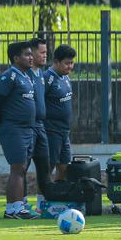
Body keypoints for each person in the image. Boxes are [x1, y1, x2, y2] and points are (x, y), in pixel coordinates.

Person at [0, 41, 39, 219]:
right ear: (16, 58)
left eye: (31, 54)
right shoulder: (10, 76)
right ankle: (15, 209)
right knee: (17, 168)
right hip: (13, 128)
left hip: (27, 129)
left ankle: (14, 207)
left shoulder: (27, 76)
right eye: (27, 55)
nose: (31, 57)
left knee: (22, 169)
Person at [43, 44, 76, 181]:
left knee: (64, 167)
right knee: (48, 168)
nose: (70, 66)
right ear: (56, 61)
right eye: (66, 63)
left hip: (64, 131)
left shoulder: (66, 78)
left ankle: (57, 198)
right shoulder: (47, 78)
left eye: (72, 63)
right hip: (51, 130)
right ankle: (42, 200)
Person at [26, 37, 51, 213]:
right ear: (31, 54)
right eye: (41, 53)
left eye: (46, 53)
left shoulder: (41, 74)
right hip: (26, 127)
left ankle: (42, 204)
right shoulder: (24, 75)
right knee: (21, 168)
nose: (44, 56)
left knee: (44, 166)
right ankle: (19, 204)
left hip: (40, 126)